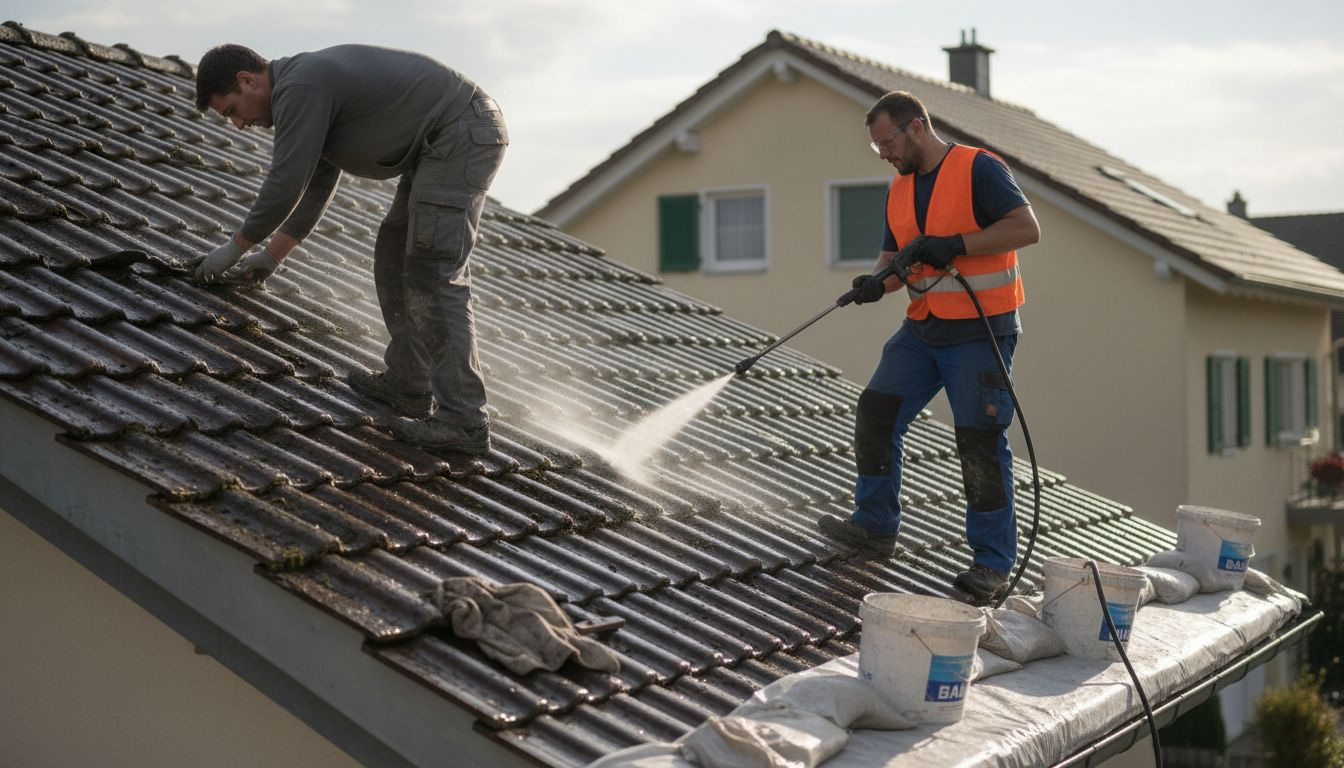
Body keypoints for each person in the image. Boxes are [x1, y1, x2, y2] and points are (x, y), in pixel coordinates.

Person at [192, 43, 506, 454]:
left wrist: (232, 249)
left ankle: (464, 419)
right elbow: (316, 183)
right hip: (443, 141)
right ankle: (410, 383)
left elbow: (286, 184)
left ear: (247, 80)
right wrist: (271, 256)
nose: (238, 124)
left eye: (232, 110)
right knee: (395, 251)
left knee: (433, 269)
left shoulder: (300, 87)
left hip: (460, 132)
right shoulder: (304, 90)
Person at [816, 91, 1040, 605]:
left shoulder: (979, 169)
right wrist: (875, 284)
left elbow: (1027, 228)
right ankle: (875, 527)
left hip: (980, 333)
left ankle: (991, 566)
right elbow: (894, 260)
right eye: (876, 147)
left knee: (978, 443)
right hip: (924, 330)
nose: (884, 154)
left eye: (887, 142)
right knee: (875, 412)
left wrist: (956, 244)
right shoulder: (898, 189)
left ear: (916, 127)